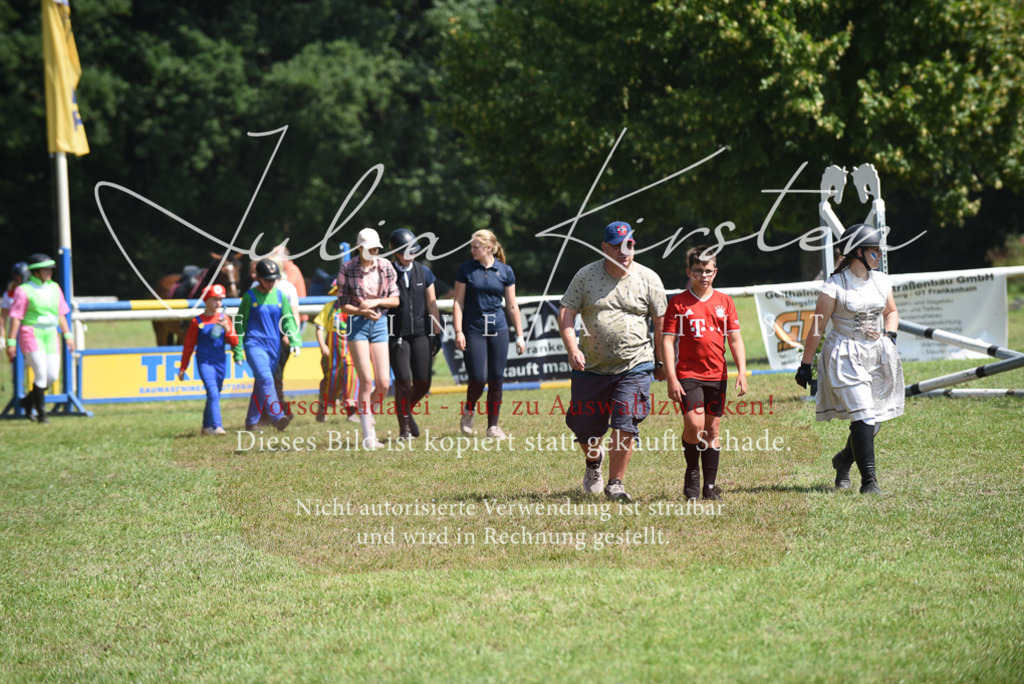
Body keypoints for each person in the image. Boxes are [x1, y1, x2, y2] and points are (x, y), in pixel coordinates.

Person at [558, 221, 668, 502]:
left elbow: (661, 323)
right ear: (604, 247)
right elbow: (566, 313)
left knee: (625, 421)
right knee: (584, 427)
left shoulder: (649, 278)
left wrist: (660, 361)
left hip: (635, 364)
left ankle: (616, 483)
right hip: (590, 367)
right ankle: (594, 462)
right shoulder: (585, 276)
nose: (624, 251)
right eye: (617, 246)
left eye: (629, 245)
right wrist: (572, 348)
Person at [795, 223, 904, 494]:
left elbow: (891, 312)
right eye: (873, 250)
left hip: (876, 354)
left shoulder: (881, 281)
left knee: (873, 420)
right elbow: (817, 327)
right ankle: (870, 483)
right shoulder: (834, 285)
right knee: (864, 416)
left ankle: (843, 460)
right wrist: (805, 364)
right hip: (843, 355)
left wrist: (889, 335)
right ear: (857, 252)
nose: (878, 255)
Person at [661, 246, 748, 501]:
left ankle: (709, 487)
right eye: (698, 271)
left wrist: (741, 371)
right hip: (688, 373)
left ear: (715, 272)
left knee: (712, 429)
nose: (704, 276)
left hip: (717, 375)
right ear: (689, 272)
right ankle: (692, 471)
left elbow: (734, 338)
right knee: (695, 424)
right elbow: (667, 342)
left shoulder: (725, 302)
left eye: (708, 271)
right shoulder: (678, 303)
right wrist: (671, 378)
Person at [452, 229, 525, 440]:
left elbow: (512, 305)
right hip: (473, 328)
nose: (472, 250)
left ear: (488, 248)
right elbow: (458, 302)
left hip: (498, 328)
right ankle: (468, 409)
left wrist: (519, 335)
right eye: (472, 246)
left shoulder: (505, 271)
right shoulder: (465, 269)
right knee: (478, 377)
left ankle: (492, 427)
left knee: (496, 378)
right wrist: (458, 331)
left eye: (476, 246)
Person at [337, 228, 400, 448]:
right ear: (359, 248)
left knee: (383, 382)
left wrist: (374, 303)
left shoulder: (386, 266)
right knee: (366, 380)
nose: (373, 251)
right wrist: (361, 311)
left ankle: (367, 414)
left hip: (380, 323)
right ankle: (368, 435)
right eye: (369, 248)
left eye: (375, 248)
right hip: (357, 325)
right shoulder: (347, 268)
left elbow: (395, 299)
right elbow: (342, 303)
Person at [5, 254, 74, 424]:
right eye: (46, 269)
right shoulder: (24, 290)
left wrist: (68, 335)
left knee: (51, 376)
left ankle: (27, 402)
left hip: (51, 334)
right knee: (41, 372)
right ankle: (42, 415)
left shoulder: (55, 288)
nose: (50, 272)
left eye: (51, 269)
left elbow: (60, 314)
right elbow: (16, 317)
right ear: (36, 272)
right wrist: (11, 341)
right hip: (31, 333)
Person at [388, 228, 443, 441]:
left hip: (421, 332)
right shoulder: (387, 273)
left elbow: (432, 304)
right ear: (396, 252)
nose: (411, 254)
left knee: (423, 383)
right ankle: (404, 429)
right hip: (396, 334)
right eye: (406, 251)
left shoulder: (424, 272)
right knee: (403, 380)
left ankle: (405, 410)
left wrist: (436, 332)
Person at [237, 258, 301, 431]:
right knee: (266, 378)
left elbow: (288, 319)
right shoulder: (249, 296)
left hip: (274, 345)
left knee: (261, 384)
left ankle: (251, 422)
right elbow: (240, 321)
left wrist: (295, 339)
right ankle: (277, 416)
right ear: (258, 278)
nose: (270, 283)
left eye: (274, 279)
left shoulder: (280, 296)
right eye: (267, 279)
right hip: (254, 343)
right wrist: (238, 348)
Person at [176, 284, 244, 435]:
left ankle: (206, 427)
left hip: (220, 361)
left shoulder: (224, 319)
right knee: (213, 392)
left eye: (220, 300)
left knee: (215, 393)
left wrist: (227, 329)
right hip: (204, 362)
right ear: (206, 300)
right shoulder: (197, 322)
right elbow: (188, 346)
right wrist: (183, 367)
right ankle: (217, 426)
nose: (218, 303)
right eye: (215, 299)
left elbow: (234, 342)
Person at [312, 283, 356, 423]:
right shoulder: (330, 307)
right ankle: (323, 408)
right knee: (332, 378)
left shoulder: (355, 307)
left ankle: (351, 413)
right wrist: (323, 345)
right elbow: (319, 327)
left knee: (351, 378)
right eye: (340, 292)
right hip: (333, 351)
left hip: (352, 349)